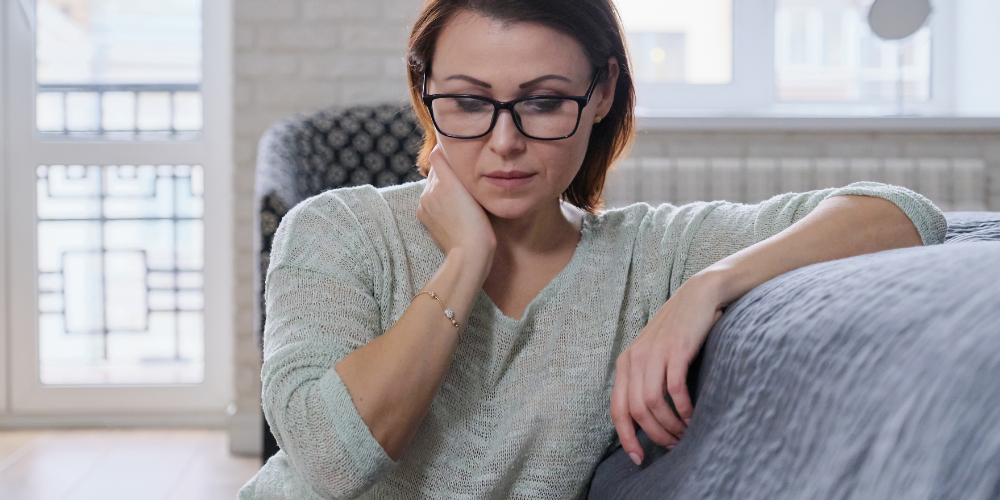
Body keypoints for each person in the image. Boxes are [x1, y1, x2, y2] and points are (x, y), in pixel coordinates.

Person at [239, 0, 946, 498]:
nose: (505, 140)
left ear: (602, 91)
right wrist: (464, 262)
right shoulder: (335, 229)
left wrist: (708, 287)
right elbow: (330, 463)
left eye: (544, 101)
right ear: (425, 95)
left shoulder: (650, 254)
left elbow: (901, 213)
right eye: (469, 101)